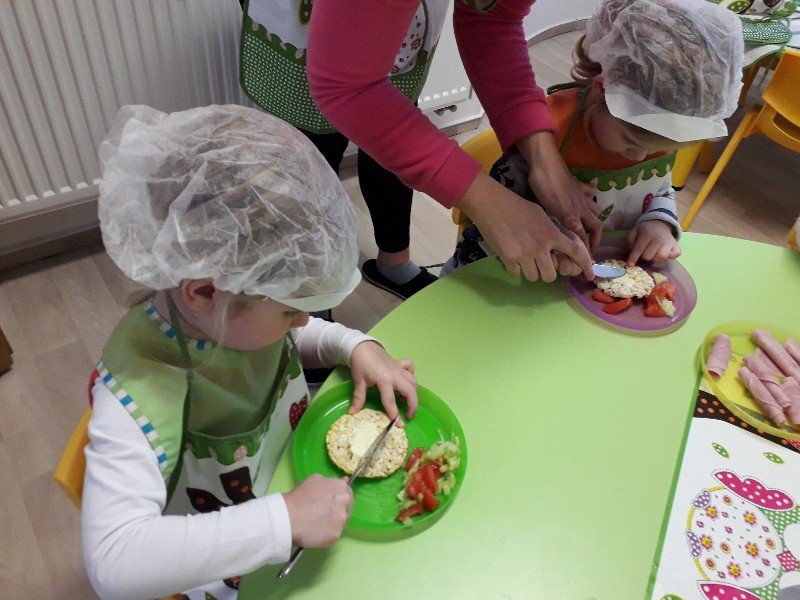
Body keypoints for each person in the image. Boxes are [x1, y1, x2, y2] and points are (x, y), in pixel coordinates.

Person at [81, 105, 419, 600]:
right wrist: (283, 520)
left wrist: (353, 345)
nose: (301, 322)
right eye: (290, 310)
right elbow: (113, 564)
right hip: (226, 566)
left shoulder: (228, 316)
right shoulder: (137, 392)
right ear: (204, 291)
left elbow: (290, 338)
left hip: (293, 495)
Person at [240, 0, 599, 290]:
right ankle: (307, 295)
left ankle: (393, 263)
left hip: (382, 37)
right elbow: (348, 89)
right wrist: (488, 202)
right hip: (303, 36)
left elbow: (492, 18)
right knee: (311, 160)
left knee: (394, 138)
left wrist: (543, 158)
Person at [443, 0, 744, 273]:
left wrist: (658, 224)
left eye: (659, 150)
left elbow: (660, 191)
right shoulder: (546, 132)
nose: (640, 156)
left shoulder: (660, 134)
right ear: (603, 90)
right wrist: (550, 238)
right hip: (521, 278)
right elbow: (498, 217)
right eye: (630, 141)